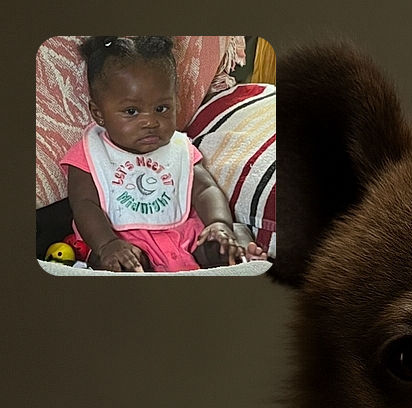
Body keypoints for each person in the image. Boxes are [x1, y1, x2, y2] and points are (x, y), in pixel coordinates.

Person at [61, 36, 266, 272]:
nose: (150, 121)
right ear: (98, 114)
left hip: (187, 237)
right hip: (123, 240)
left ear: (175, 102)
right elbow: (84, 205)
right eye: (131, 111)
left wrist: (218, 224)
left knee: (231, 235)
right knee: (113, 264)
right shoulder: (91, 152)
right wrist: (107, 244)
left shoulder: (179, 147)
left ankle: (242, 263)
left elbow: (205, 189)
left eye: (161, 108)